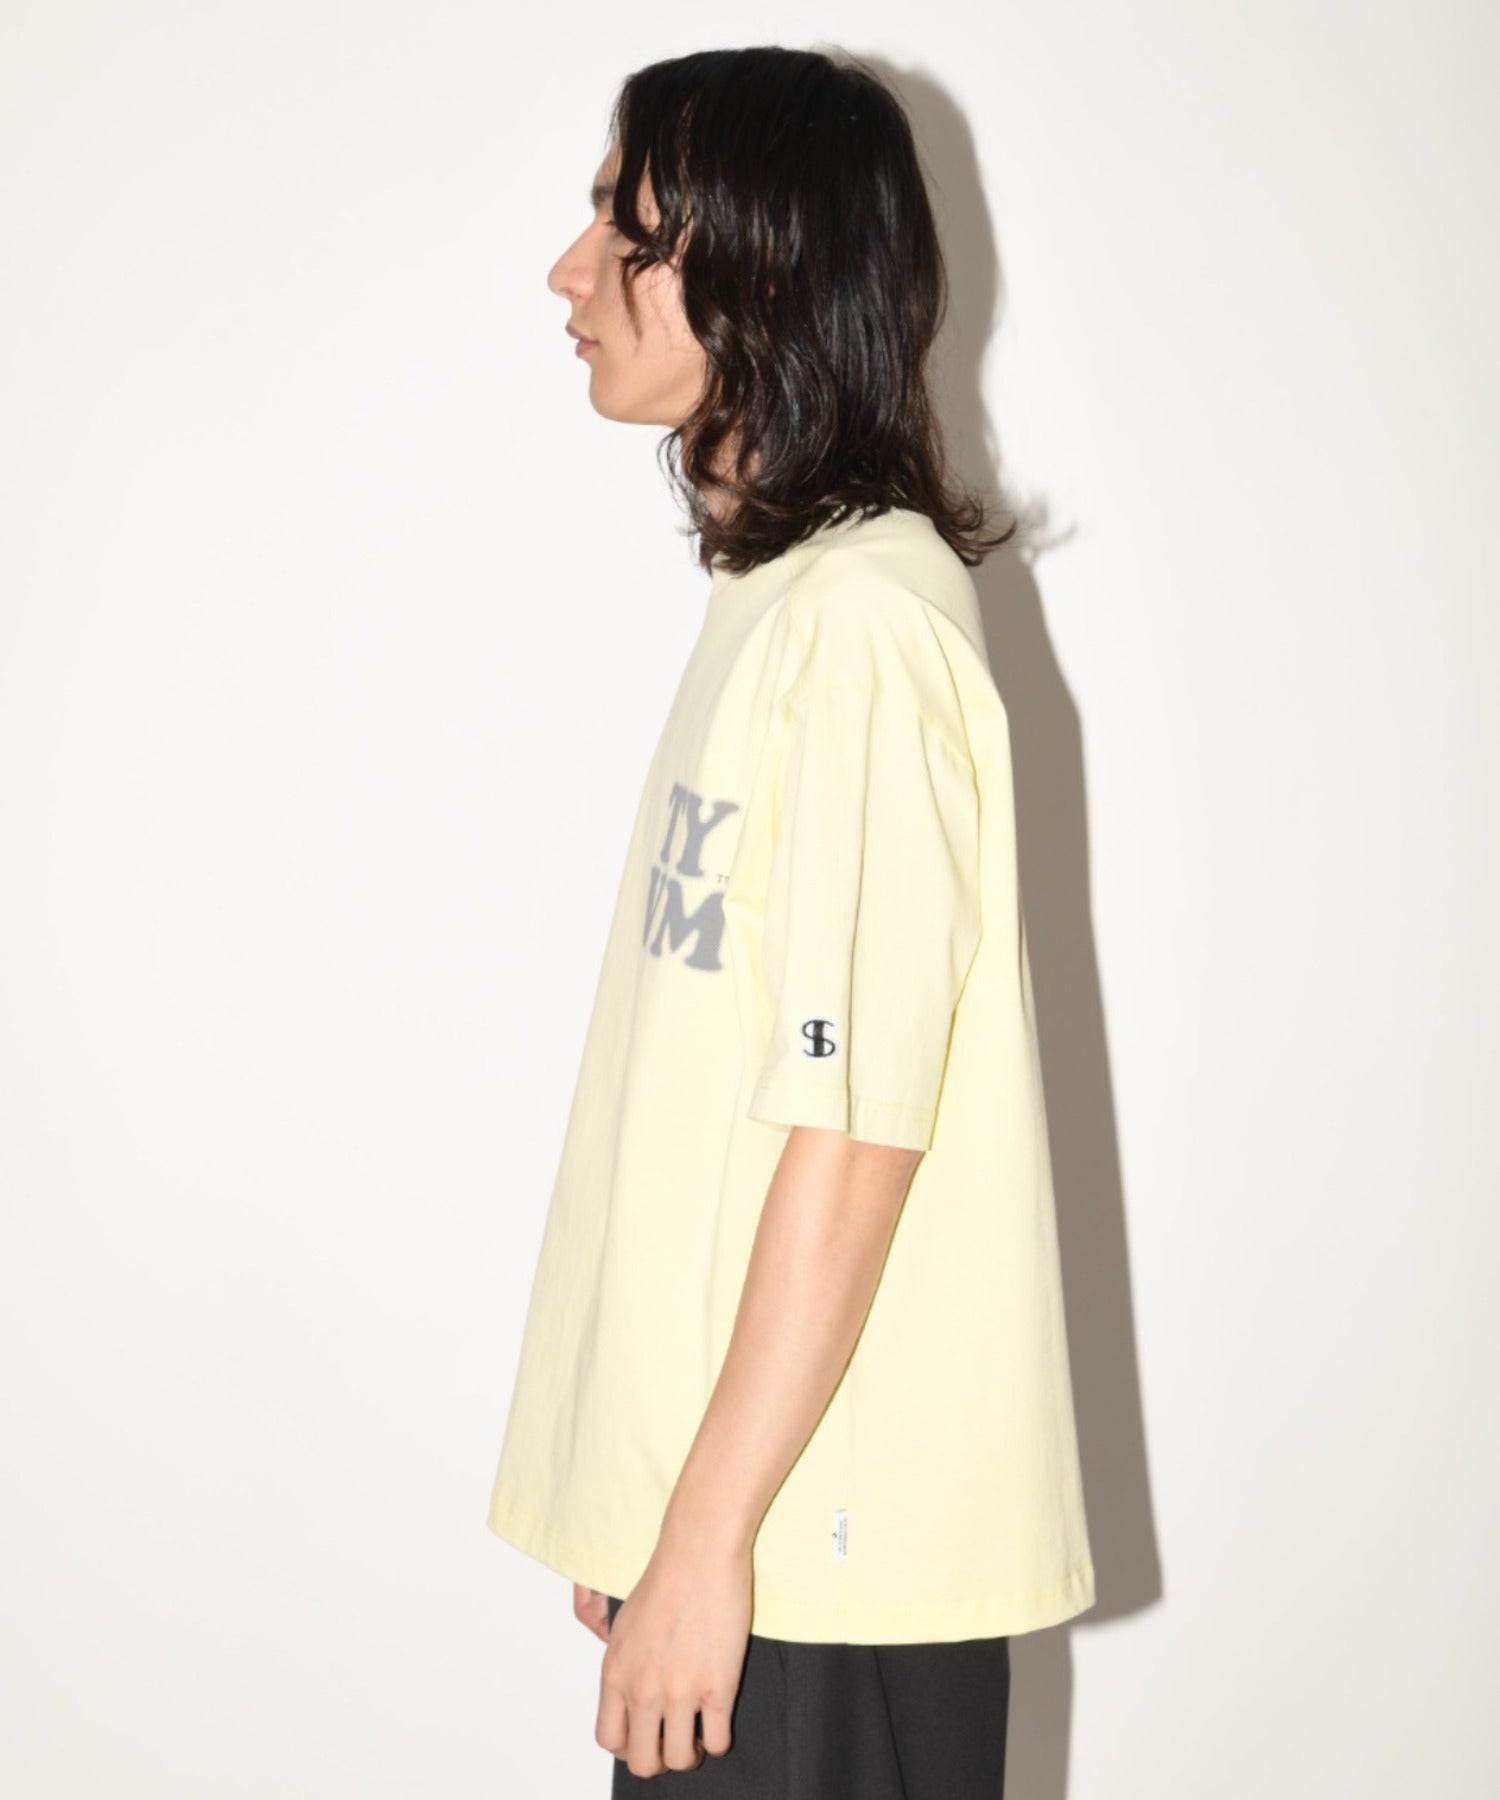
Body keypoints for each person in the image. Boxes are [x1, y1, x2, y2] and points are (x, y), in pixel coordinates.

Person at [485, 44, 1095, 1795]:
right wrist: (656, 1489)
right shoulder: (788, 607)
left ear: (762, 275)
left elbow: (854, 1130)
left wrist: (708, 1532)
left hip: (826, 1559)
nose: (570, 272)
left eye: (627, 233)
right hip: (772, 1534)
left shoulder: (861, 634)